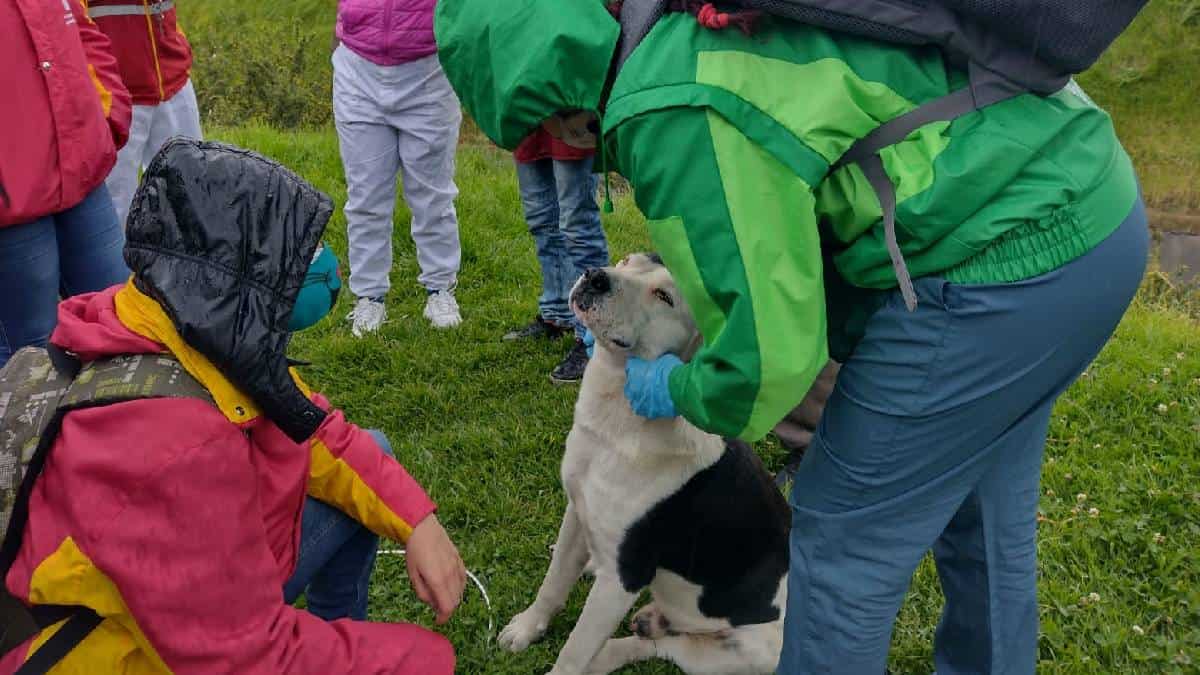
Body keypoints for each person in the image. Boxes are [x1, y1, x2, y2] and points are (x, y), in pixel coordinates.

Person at [435, 1, 1150, 672]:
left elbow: (763, 363)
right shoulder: (688, 22)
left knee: (840, 543)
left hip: (999, 262)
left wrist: (677, 384)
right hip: (1085, 203)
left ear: (548, 110)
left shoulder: (666, 107)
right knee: (985, 516)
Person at [0, 139, 463, 674]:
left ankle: (341, 624)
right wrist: (425, 661)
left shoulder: (161, 322)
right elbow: (251, 661)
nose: (295, 288)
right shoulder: (176, 451)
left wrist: (417, 520)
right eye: (283, 272)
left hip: (180, 597)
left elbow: (316, 433)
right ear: (232, 289)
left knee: (371, 454)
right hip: (119, 654)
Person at [0, 0, 132, 369]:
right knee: (30, 358)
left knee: (121, 320)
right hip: (12, 202)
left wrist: (108, 115)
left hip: (80, 172)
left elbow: (81, 29)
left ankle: (113, 423)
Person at [333, 0, 465, 335]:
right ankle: (368, 296)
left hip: (428, 68)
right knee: (365, 195)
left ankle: (440, 289)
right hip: (358, 65)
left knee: (432, 194)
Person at [504, 128, 610, 384]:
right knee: (542, 220)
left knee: (579, 227)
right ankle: (557, 313)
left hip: (571, 118)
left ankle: (593, 338)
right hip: (529, 118)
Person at [88, 0, 204, 227]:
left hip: (172, 77)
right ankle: (123, 262)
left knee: (190, 188)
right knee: (117, 205)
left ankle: (185, 259)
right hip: (115, 90)